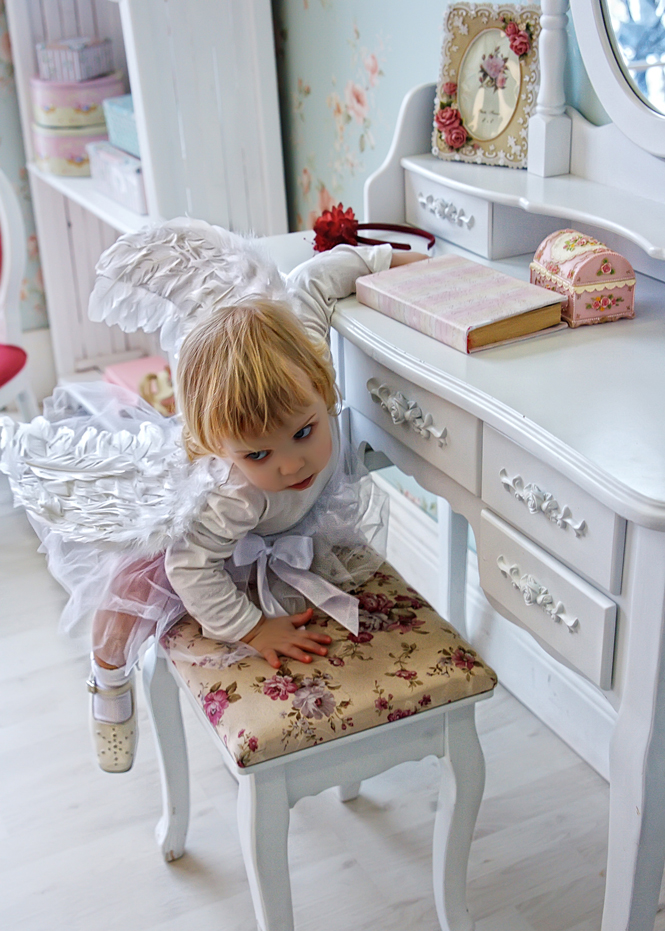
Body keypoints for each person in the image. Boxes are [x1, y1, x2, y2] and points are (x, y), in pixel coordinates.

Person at [1, 221, 427, 773]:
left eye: (304, 433)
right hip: (204, 545)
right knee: (131, 589)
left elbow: (316, 278)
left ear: (322, 385)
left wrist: (393, 262)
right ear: (221, 449)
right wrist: (254, 628)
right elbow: (188, 566)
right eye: (259, 454)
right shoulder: (231, 494)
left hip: (281, 526)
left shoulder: (303, 352)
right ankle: (106, 678)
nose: (292, 464)